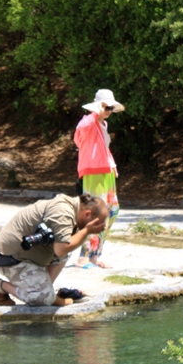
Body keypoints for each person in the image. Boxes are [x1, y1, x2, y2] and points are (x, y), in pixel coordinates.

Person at [0, 193, 108, 306]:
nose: (102, 227)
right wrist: (86, 231)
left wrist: (84, 231)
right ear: (87, 214)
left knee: (69, 244)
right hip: (10, 257)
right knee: (42, 299)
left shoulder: (74, 211)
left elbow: (64, 250)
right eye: (99, 223)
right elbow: (61, 249)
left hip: (30, 256)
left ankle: (45, 290)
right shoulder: (63, 212)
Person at [74, 88, 125, 268]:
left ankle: (95, 254)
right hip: (93, 171)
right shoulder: (87, 122)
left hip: (107, 171)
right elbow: (80, 132)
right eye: (106, 107)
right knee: (95, 212)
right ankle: (84, 256)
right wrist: (96, 111)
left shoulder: (103, 124)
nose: (109, 111)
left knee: (112, 210)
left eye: (111, 107)